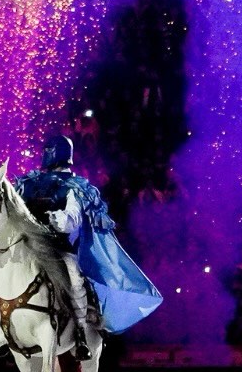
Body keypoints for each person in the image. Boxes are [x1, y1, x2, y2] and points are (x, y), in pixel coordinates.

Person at [15, 135, 162, 357]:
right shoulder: (29, 183)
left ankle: (82, 332)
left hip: (59, 250)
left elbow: (72, 218)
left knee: (74, 278)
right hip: (30, 248)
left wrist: (56, 218)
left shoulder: (76, 186)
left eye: (48, 150)